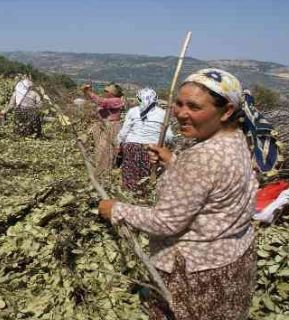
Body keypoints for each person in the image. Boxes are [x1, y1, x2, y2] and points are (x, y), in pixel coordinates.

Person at [98, 69, 257, 320]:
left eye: (194, 106)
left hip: (195, 272)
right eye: (179, 104)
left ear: (226, 110)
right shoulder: (238, 140)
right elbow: (213, 185)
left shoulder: (202, 157)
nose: (182, 113)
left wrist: (115, 209)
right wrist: (174, 162)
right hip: (232, 260)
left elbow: (166, 222)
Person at [116, 88, 174, 195]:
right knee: (148, 175)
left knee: (130, 173)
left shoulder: (133, 111)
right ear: (155, 99)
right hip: (152, 149)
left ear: (139, 98)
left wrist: (119, 143)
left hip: (131, 146)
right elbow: (169, 136)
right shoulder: (163, 113)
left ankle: (129, 196)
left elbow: (124, 132)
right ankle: (145, 196)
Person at [82, 83, 125, 178]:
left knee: (105, 150)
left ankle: (104, 173)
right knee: (99, 149)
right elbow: (95, 100)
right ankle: (99, 170)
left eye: (107, 91)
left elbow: (101, 102)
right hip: (103, 126)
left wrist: (88, 91)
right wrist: (87, 92)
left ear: (113, 93)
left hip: (111, 127)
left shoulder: (117, 101)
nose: (105, 93)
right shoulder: (109, 100)